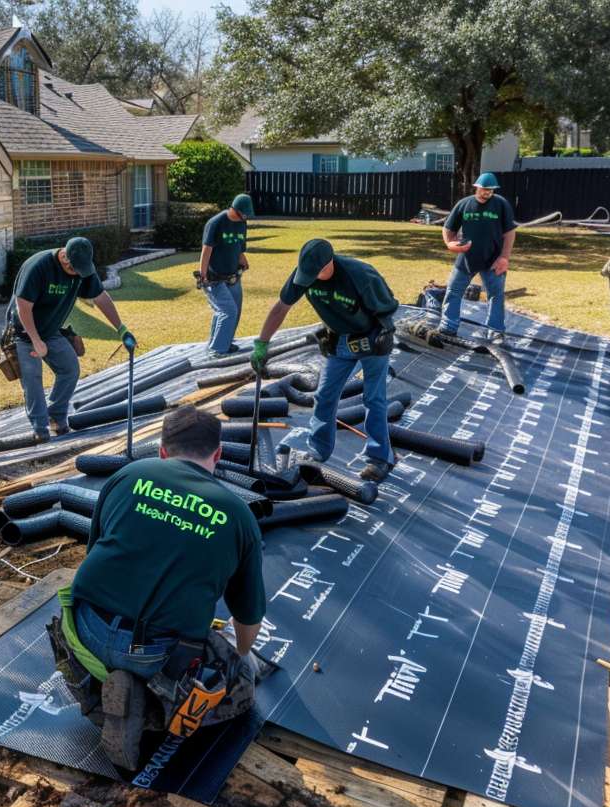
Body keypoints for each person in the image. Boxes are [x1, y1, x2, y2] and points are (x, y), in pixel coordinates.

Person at [48, 406, 266, 767]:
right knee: (241, 680)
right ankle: (150, 710)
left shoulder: (127, 476)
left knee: (113, 641)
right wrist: (241, 653)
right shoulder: (238, 515)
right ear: (218, 454)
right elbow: (248, 620)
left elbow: (94, 550)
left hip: (84, 629)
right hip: (157, 653)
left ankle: (99, 690)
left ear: (162, 451)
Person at [249, 238, 399, 481]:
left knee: (374, 398)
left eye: (315, 274)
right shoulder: (303, 275)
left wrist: (382, 336)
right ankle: (318, 450)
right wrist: (262, 343)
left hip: (371, 340)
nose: (310, 280)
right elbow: (281, 308)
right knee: (325, 396)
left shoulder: (360, 275)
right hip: (339, 341)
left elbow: (388, 308)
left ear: (329, 263)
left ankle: (380, 457)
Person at [7, 236, 136, 440]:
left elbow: (100, 297)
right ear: (65, 258)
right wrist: (36, 340)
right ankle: (40, 430)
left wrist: (121, 329)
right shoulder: (38, 267)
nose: (77, 274)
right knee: (32, 378)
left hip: (51, 330)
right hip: (24, 332)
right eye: (74, 269)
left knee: (70, 368)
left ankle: (56, 417)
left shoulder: (83, 269)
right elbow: (23, 307)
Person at [437, 172, 516, 343]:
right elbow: (448, 228)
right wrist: (450, 243)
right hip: (466, 259)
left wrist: (504, 258)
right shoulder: (464, 204)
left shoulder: (501, 204)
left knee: (496, 295)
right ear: (476, 187)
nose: (486, 193)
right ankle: (448, 326)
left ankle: (495, 331)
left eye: (490, 190)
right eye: (483, 189)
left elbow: (510, 233)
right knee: (453, 291)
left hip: (493, 260)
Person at [199, 194, 255, 356]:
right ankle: (218, 351)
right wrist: (203, 275)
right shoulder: (216, 222)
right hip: (214, 278)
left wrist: (243, 260)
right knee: (228, 311)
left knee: (234, 310)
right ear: (235, 210)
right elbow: (206, 250)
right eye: (244, 214)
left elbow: (239, 246)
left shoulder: (242, 224)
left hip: (233, 276)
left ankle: (223, 343)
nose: (245, 218)